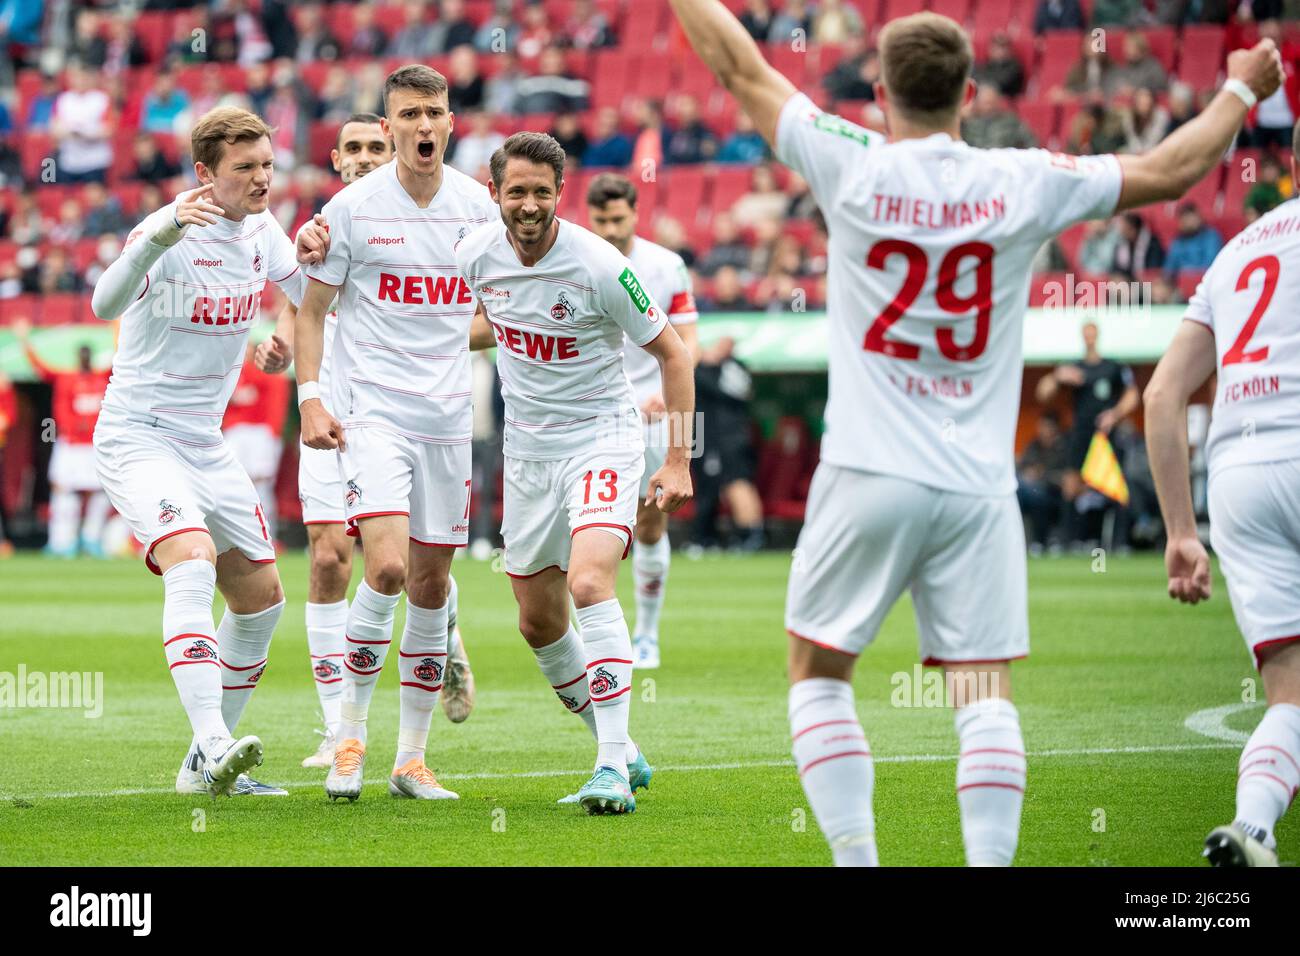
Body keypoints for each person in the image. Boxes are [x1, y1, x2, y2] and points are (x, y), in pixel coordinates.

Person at [668, 0, 1282, 866]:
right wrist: (1236, 88)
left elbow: (739, 67)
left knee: (817, 670)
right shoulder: (1021, 178)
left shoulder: (848, 159)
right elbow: (1175, 169)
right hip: (978, 486)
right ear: (967, 93)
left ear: (880, 92)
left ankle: (857, 860)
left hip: (867, 469)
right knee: (984, 691)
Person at [456, 132, 695, 813]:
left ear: (559, 194)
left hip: (602, 439)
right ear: (496, 192)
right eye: (516, 191)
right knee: (537, 622)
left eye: (541, 191)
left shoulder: (598, 263)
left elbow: (674, 355)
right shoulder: (475, 254)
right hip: (529, 453)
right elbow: (485, 320)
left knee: (590, 582)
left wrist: (678, 458)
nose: (528, 205)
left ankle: (609, 771)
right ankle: (624, 751)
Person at [90, 107, 308, 797]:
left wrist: (278, 338)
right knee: (192, 558)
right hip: (139, 433)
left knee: (263, 600)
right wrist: (158, 233)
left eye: (268, 165)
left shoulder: (264, 233)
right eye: (246, 168)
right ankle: (214, 740)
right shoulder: (171, 231)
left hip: (204, 443)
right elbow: (103, 303)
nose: (262, 179)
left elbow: (311, 297)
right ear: (206, 173)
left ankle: (199, 771)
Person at [294, 67, 494, 802]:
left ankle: (412, 760)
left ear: (449, 121)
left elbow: (500, 308)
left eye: (433, 111)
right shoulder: (349, 211)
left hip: (447, 420)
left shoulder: (480, 207)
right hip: (373, 416)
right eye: (407, 113)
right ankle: (349, 738)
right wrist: (312, 400)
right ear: (389, 128)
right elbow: (311, 311)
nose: (422, 125)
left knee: (433, 584)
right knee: (382, 568)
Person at [1144, 119, 1300, 866]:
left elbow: (1163, 394)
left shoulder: (1236, 252)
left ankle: (1255, 830)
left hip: (1238, 477)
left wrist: (1181, 531)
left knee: (1289, 694)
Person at [586, 172, 700, 670]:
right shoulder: (579, 258)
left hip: (658, 413)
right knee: (588, 524)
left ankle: (647, 634)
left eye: (618, 218)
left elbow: (688, 343)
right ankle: (588, 632)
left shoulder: (667, 265)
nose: (609, 229)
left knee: (651, 524)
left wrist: (662, 391)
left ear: (634, 212)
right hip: (597, 412)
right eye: (600, 220)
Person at [14, 319, 112, 558]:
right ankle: (62, 542)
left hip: (95, 446)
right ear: (79, 358)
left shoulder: (102, 377)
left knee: (101, 493)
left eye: (88, 354)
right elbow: (40, 368)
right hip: (70, 445)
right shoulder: (65, 378)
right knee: (64, 493)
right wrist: (24, 340)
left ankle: (92, 539)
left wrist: (118, 328)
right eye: (83, 354)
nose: (86, 358)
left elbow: (122, 356)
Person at [1036, 322, 1140, 545]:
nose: (1089, 338)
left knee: (1117, 486)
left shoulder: (1112, 367)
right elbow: (1042, 394)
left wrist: (1114, 414)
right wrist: (1057, 376)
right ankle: (1067, 542)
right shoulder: (1073, 367)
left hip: (1106, 434)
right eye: (1086, 334)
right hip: (1081, 434)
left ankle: (1120, 543)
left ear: (1097, 336)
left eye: (1093, 334)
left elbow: (1133, 395)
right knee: (1071, 485)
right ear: (1083, 337)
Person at [692, 336, 764, 550]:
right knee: (737, 483)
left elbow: (730, 392)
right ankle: (750, 533)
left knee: (736, 483)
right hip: (734, 435)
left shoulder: (727, 368)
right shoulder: (734, 369)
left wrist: (707, 363)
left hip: (728, 437)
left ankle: (749, 533)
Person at [222, 344, 290, 546]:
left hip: (261, 433)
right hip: (236, 431)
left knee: (261, 486)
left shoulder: (274, 376)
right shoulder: (231, 372)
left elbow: (276, 409)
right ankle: (231, 536)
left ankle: (267, 536)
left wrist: (273, 436)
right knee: (229, 483)